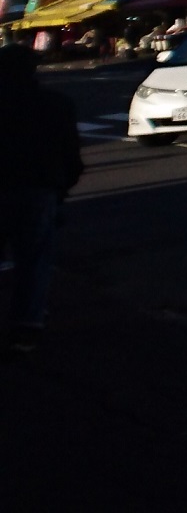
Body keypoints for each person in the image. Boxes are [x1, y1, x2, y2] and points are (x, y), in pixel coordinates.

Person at [0, 43, 80, 354]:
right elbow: (70, 153)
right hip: (39, 188)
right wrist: (62, 185)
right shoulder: (56, 104)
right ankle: (27, 325)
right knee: (34, 259)